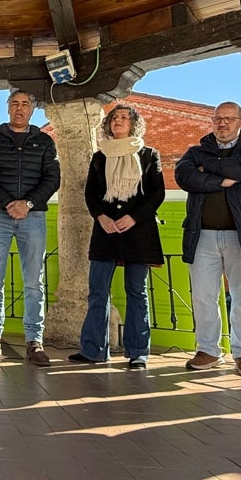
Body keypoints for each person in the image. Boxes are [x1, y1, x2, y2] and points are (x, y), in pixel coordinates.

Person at [175, 101, 241, 378]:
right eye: (217, 119)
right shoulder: (195, 152)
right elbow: (184, 176)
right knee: (203, 296)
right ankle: (209, 350)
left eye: (228, 119)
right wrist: (225, 178)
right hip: (203, 236)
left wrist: (209, 170)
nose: (222, 124)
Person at [68, 104, 165, 368]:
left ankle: (137, 353)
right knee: (98, 291)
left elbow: (157, 193)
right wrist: (101, 217)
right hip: (106, 231)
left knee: (136, 291)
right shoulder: (100, 157)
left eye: (124, 117)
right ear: (108, 124)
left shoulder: (149, 154)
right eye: (114, 118)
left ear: (133, 124)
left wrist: (133, 217)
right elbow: (91, 193)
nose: (118, 121)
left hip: (139, 231)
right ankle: (93, 350)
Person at [0, 90, 60, 366]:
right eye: (15, 104)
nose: (20, 108)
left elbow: (52, 177)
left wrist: (29, 203)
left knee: (35, 283)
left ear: (32, 109)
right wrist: (9, 202)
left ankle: (34, 341)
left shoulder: (44, 142)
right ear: (8, 108)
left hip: (33, 217)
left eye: (25, 103)